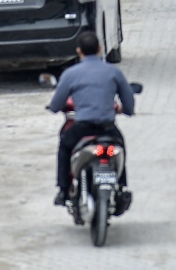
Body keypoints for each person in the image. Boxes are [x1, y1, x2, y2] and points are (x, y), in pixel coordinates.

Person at [47, 30, 135, 206]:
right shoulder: (113, 72)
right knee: (120, 147)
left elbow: (56, 104)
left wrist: (54, 108)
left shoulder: (70, 74)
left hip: (82, 129)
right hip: (108, 128)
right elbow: (129, 105)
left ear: (79, 51)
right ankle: (122, 187)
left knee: (65, 146)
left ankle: (63, 190)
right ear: (100, 49)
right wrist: (126, 110)